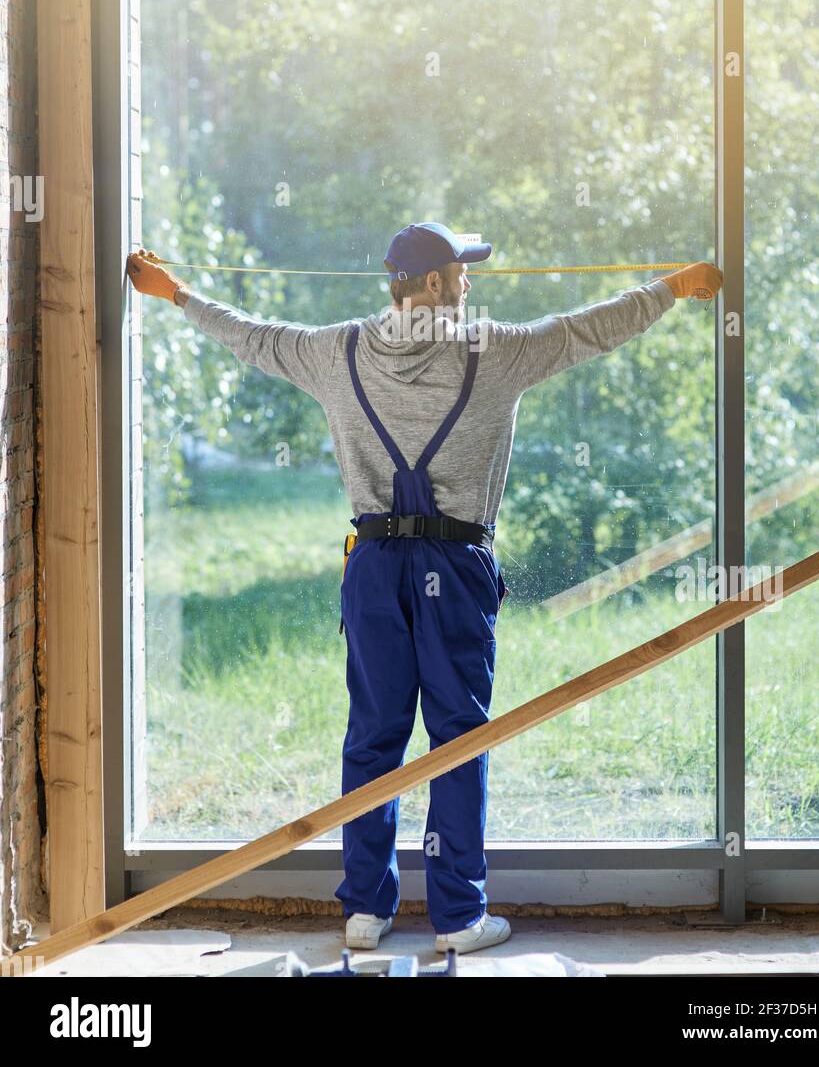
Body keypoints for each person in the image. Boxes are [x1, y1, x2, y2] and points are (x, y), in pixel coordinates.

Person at [126, 223, 722, 955]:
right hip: (455, 567)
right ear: (434, 284)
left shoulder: (334, 353)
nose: (471, 284)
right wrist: (674, 288)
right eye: (462, 273)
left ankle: (364, 914)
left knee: (372, 739)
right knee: (458, 738)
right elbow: (587, 330)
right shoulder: (495, 350)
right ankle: (458, 919)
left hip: (373, 569)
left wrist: (175, 293)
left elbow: (250, 336)